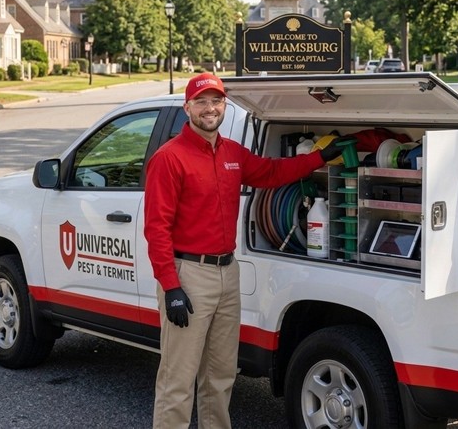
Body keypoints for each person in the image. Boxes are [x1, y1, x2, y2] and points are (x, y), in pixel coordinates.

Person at [144, 72, 343, 429]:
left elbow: (270, 172)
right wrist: (171, 286)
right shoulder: (169, 158)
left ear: (224, 105)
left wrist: (318, 157)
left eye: (216, 101)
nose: (210, 108)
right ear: (187, 107)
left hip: (227, 272)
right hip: (189, 276)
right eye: (202, 101)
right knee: (178, 380)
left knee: (220, 375)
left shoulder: (232, 153)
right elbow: (156, 228)